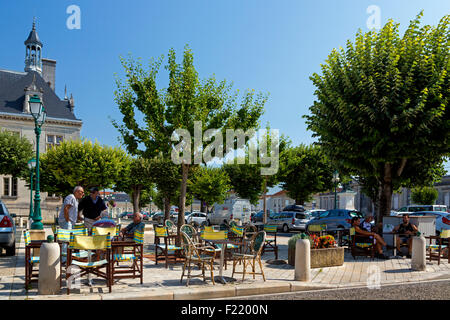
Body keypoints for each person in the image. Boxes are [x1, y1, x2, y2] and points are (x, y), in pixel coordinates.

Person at [58, 186, 84, 262]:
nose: (83, 193)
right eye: (81, 192)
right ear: (76, 191)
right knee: (66, 240)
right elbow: (66, 208)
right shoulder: (71, 197)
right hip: (66, 222)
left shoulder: (76, 200)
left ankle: (66, 258)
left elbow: (74, 213)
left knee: (68, 240)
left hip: (70, 222)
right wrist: (68, 220)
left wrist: (82, 219)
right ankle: (64, 260)